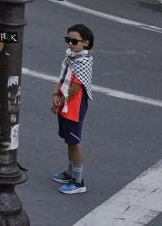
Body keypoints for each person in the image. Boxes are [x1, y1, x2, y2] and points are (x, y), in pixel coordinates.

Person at [52, 23, 95, 196]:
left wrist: (60, 100)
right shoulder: (71, 57)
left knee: (74, 141)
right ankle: (70, 173)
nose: (70, 44)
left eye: (74, 41)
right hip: (65, 103)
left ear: (86, 42)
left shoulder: (83, 61)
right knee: (68, 140)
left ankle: (78, 181)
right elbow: (61, 77)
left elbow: (75, 89)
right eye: (68, 40)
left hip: (73, 106)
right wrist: (55, 94)